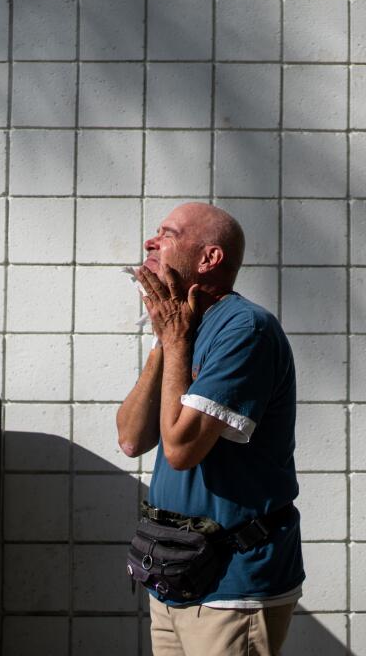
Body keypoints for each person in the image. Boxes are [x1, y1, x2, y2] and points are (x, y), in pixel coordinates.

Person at [116, 202, 303, 656]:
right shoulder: (180, 325)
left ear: (209, 259)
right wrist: (164, 341)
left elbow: (180, 449)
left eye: (169, 233)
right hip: (173, 574)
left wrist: (177, 342)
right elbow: (131, 439)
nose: (150, 241)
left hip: (232, 587)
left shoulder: (246, 330)